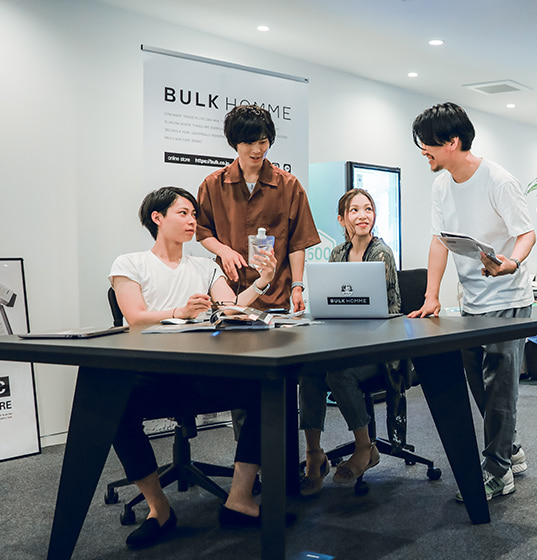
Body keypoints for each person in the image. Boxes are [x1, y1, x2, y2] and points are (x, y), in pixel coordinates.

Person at [108, 186, 277, 549]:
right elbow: (134, 317)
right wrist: (179, 312)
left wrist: (262, 282)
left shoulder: (205, 266)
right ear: (157, 218)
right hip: (153, 375)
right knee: (114, 407)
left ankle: (240, 500)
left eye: (194, 215)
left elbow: (231, 309)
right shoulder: (129, 264)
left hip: (202, 374)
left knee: (266, 390)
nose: (192, 222)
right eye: (183, 213)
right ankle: (159, 509)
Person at [409, 102, 536, 501]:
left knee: (499, 387)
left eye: (427, 144)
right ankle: (511, 449)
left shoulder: (498, 180)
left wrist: (511, 262)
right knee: (480, 385)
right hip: (472, 302)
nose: (423, 151)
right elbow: (439, 241)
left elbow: (526, 233)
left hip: (508, 297)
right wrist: (431, 295)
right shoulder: (442, 185)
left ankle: (497, 471)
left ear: (452, 141)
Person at [297, 188, 402, 496]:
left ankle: (365, 448)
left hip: (381, 349)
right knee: (309, 371)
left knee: (338, 374)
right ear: (342, 219)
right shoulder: (337, 254)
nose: (362, 215)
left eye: (368, 209)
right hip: (345, 344)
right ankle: (314, 453)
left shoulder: (381, 253)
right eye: (354, 210)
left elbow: (377, 309)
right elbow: (332, 303)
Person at [196, 103, 320, 313]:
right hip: (229, 294)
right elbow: (203, 231)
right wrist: (223, 251)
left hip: (275, 296)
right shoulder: (213, 184)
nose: (257, 150)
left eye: (263, 142)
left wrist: (297, 286)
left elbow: (297, 242)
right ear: (235, 143)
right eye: (249, 143)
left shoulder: (289, 186)